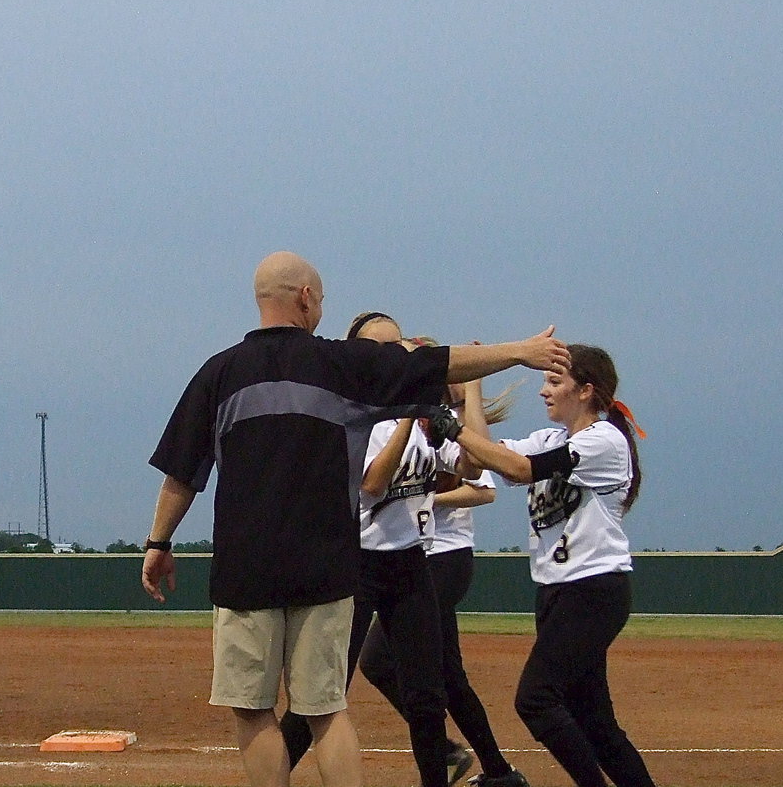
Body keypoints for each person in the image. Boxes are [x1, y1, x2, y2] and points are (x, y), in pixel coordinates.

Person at [141, 250, 570, 787]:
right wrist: (522, 352)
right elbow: (438, 364)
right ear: (306, 297)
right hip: (327, 565)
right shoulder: (341, 364)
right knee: (325, 710)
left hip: (245, 567)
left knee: (253, 710)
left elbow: (181, 475)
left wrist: (159, 541)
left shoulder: (218, 373)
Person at [276, 312, 495, 787]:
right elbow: (373, 483)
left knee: (426, 696)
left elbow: (476, 466)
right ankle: (270, 778)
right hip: (355, 567)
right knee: (321, 692)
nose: (391, 355)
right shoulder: (351, 416)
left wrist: (470, 395)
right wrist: (406, 417)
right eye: (379, 346)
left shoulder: (423, 420)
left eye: (397, 345)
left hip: (410, 563)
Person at [424, 344, 657, 787]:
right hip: (556, 591)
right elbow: (478, 460)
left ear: (586, 391)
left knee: (536, 699)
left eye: (554, 382)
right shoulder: (551, 438)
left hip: (593, 589)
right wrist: (470, 392)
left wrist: (454, 428)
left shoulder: (604, 440)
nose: (543, 392)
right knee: (596, 723)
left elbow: (519, 469)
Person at [357, 337, 527, 787]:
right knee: (442, 673)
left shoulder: (444, 425)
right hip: (416, 556)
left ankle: (465, 758)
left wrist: (427, 493)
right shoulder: (407, 422)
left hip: (441, 556)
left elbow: (482, 485)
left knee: (408, 668)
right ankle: (492, 767)